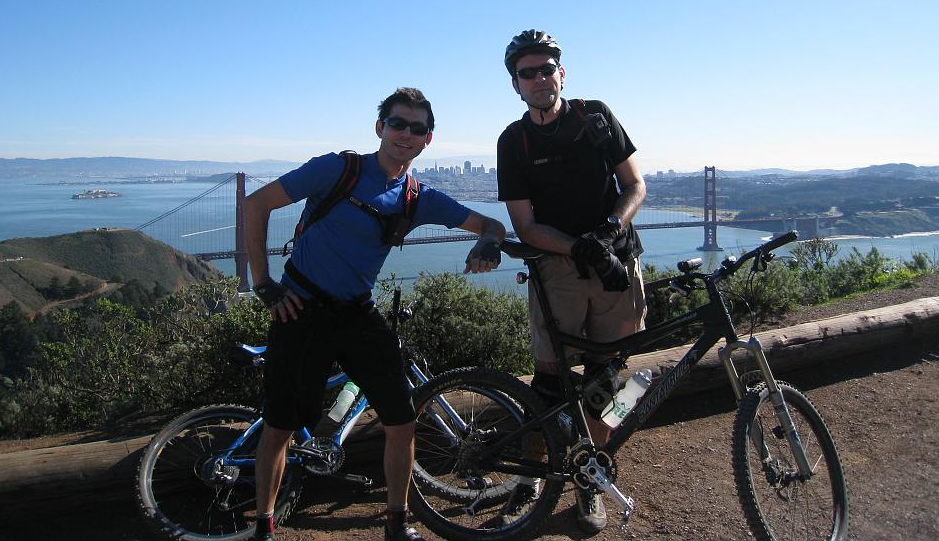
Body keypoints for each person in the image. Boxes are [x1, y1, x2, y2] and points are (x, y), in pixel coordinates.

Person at [245, 87, 506, 541]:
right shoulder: (337, 169)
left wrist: (488, 243)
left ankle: (396, 524)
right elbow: (256, 204)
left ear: (428, 139)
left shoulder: (418, 197)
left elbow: (492, 224)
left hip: (357, 312)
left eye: (417, 128)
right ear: (380, 127)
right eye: (398, 124)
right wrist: (264, 284)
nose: (406, 134)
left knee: (402, 421)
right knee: (280, 426)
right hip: (301, 308)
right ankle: (263, 528)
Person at [496, 30, 647, 533]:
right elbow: (525, 226)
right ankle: (529, 478)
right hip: (557, 270)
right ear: (516, 85)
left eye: (547, 69)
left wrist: (607, 234)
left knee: (613, 376)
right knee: (546, 381)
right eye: (528, 73)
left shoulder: (595, 116)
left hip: (616, 265)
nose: (540, 79)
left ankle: (591, 475)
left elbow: (635, 185)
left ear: (562, 73)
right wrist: (580, 247)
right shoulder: (513, 142)